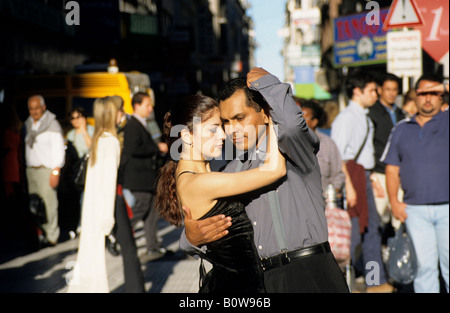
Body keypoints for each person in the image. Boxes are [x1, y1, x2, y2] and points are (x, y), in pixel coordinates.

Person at [180, 68, 349, 293]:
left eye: (240, 118)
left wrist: (268, 84)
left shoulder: (293, 151)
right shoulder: (232, 170)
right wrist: (190, 239)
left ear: (265, 112)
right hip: (264, 281)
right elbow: (208, 216)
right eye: (225, 122)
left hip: (310, 271)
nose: (232, 130)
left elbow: (289, 126)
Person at [156, 94, 285, 292]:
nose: (223, 135)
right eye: (213, 130)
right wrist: (271, 117)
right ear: (187, 136)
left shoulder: (201, 175)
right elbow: (275, 170)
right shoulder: (200, 182)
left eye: (221, 127)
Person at [382, 74, 449, 293]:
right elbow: (392, 169)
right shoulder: (401, 129)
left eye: (434, 93)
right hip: (415, 210)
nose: (428, 99)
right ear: (415, 96)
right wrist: (394, 202)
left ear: (442, 96)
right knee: (424, 269)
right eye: (423, 93)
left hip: (447, 209)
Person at [331, 71, 393, 292]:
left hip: (364, 176)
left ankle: (375, 281)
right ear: (357, 91)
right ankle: (336, 283)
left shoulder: (364, 116)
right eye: (372, 90)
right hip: (353, 178)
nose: (376, 95)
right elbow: (338, 156)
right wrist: (349, 186)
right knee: (353, 235)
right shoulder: (347, 118)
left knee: (372, 231)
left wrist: (372, 179)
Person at [67, 97, 121, 293]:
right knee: (95, 255)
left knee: (88, 253)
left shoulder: (99, 139)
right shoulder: (111, 141)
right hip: (100, 206)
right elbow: (109, 181)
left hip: (91, 205)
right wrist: (108, 216)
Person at [122, 91, 165, 262]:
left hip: (147, 177)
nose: (150, 108)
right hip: (138, 178)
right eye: (147, 105)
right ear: (137, 106)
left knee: (152, 212)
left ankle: (152, 246)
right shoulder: (132, 125)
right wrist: (156, 148)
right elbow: (133, 149)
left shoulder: (143, 123)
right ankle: (119, 234)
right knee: (141, 208)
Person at [24, 95, 65, 246]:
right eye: (31, 109)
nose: (34, 112)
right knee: (34, 206)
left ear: (43, 107)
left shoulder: (52, 125)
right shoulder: (28, 124)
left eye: (36, 108)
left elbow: (59, 150)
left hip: (46, 170)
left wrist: (55, 172)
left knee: (49, 204)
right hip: (31, 171)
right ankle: (39, 234)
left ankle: (52, 236)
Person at [368, 73, 405, 229]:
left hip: (400, 173)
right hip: (380, 172)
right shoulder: (371, 113)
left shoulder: (401, 114)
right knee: (379, 218)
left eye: (395, 89)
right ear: (380, 90)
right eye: (388, 89)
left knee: (400, 217)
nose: (391, 93)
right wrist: (372, 176)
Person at [296, 98, 345, 196]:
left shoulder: (328, 144)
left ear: (314, 122)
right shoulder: (291, 142)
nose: (299, 122)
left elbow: (338, 174)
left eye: (304, 119)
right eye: (298, 118)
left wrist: (332, 192)